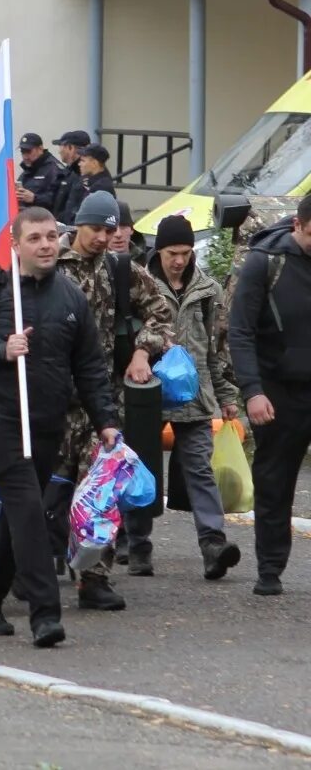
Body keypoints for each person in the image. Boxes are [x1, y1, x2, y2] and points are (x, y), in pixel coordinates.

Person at [0, 206, 119, 648]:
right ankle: (45, 614)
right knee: (28, 511)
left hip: (48, 421)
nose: (45, 245)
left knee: (19, 517)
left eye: (50, 237)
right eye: (35, 238)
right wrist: (0, 348)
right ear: (16, 245)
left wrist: (106, 421)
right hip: (1, 419)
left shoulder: (70, 296)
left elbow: (90, 366)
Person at [52, 190, 173, 611]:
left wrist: (142, 351)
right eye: (95, 229)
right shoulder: (50, 263)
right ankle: (29, 569)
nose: (103, 237)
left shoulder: (121, 270)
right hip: (48, 400)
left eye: (109, 229)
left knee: (100, 492)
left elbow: (161, 311)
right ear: (77, 225)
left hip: (99, 403)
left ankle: (94, 577)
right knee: (44, 493)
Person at [122, 215, 243, 579]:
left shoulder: (208, 291)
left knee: (200, 471)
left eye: (187, 253)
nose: (180, 260)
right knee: (141, 470)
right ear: (159, 250)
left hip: (195, 394)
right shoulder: (139, 284)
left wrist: (226, 395)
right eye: (173, 252)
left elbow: (216, 350)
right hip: (147, 393)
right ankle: (138, 545)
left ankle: (213, 546)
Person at [228, 197, 311, 596]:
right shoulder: (265, 262)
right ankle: (270, 569)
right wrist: (253, 391)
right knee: (275, 481)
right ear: (299, 224)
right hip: (278, 390)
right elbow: (240, 331)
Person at [61, 144, 116, 226]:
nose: (79, 164)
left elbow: (89, 217)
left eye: (83, 161)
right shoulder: (85, 180)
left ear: (94, 163)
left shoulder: (102, 187)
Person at [17, 133, 64, 214]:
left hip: (44, 219)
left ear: (40, 149)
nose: (25, 156)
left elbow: (59, 200)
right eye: (22, 152)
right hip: (26, 218)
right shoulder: (28, 169)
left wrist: (34, 198)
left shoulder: (54, 169)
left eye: (28, 151)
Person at [50, 130, 90, 220]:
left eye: (61, 147)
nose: (59, 151)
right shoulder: (69, 172)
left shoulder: (83, 174)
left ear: (70, 148)